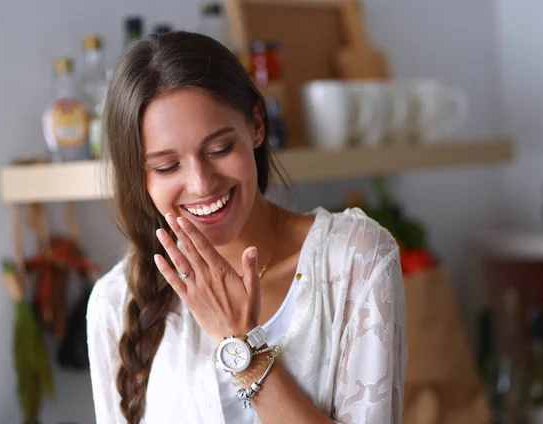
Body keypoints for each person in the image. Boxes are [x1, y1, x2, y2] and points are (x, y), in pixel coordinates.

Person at [86, 31, 406, 424]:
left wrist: (241, 347)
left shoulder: (356, 259)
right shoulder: (115, 303)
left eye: (220, 148)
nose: (202, 185)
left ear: (256, 125)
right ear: (140, 176)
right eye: (167, 167)